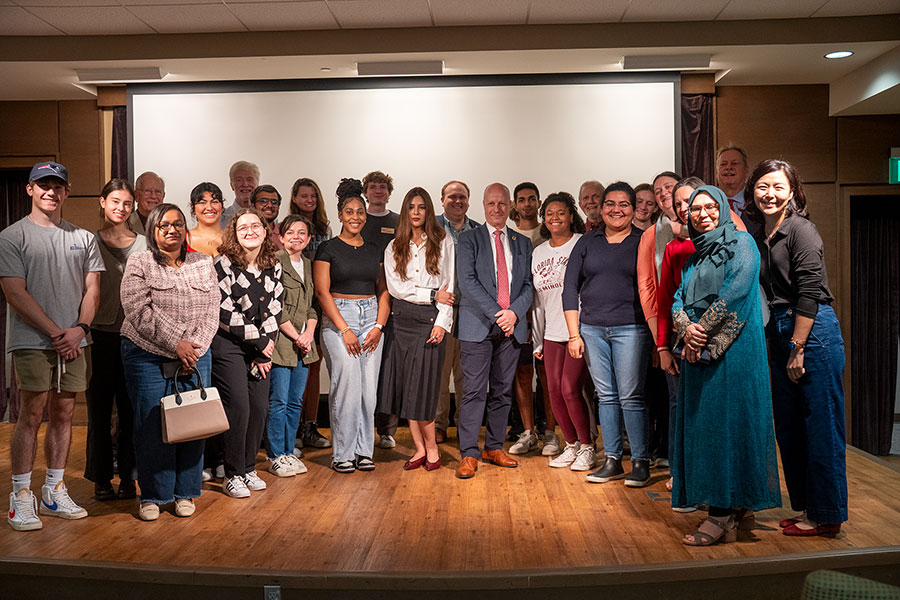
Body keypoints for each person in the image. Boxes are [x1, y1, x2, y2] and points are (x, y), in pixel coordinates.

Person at [671, 185, 781, 545]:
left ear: (721, 208)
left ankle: (720, 515)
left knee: (729, 427)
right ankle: (734, 509)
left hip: (735, 352)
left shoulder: (742, 244)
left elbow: (737, 290)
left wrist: (701, 333)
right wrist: (687, 329)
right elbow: (677, 299)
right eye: (695, 210)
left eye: (709, 207)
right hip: (698, 352)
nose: (702, 214)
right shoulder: (694, 257)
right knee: (708, 429)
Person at [744, 159, 847, 537]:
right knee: (789, 428)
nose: (769, 194)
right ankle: (807, 507)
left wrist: (798, 347)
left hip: (812, 331)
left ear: (792, 191)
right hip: (776, 330)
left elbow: (809, 293)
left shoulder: (802, 230)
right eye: (762, 187)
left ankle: (828, 515)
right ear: (753, 191)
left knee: (821, 425)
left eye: (778, 187)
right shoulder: (760, 234)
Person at [2, 161, 103, 531]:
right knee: (31, 414)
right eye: (43, 185)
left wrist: (79, 329)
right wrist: (56, 333)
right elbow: (14, 292)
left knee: (64, 413)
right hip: (33, 340)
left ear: (67, 190)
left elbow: (93, 289)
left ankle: (53, 490)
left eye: (57, 186)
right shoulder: (12, 237)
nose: (51, 191)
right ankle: (20, 497)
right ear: (29, 189)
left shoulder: (84, 237)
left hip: (75, 340)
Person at [120, 203, 219, 521]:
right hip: (146, 353)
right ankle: (152, 495)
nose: (172, 230)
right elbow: (137, 310)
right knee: (151, 425)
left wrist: (195, 347)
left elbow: (212, 308)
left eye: (178, 224)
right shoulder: (139, 262)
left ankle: (185, 492)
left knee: (193, 424)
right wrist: (176, 342)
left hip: (195, 354)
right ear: (152, 230)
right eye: (164, 225)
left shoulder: (203, 262)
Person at [563, 182, 653, 488]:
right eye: (610, 204)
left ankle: (640, 462)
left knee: (631, 396)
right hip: (591, 329)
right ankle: (613, 460)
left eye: (624, 204)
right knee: (606, 395)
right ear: (601, 209)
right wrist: (574, 335)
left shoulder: (644, 241)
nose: (617, 210)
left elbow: (654, 289)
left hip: (632, 328)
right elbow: (569, 289)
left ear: (633, 208)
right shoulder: (587, 242)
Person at [455, 183, 534, 479]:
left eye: (502, 204)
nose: (497, 209)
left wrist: (513, 313)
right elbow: (467, 281)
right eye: (491, 204)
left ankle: (494, 447)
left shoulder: (522, 242)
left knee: (502, 391)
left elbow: (528, 284)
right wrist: (499, 314)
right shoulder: (468, 239)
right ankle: (468, 454)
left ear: (510, 205)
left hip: (511, 326)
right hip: (477, 325)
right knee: (474, 392)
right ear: (483, 206)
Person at [314, 178, 390, 473]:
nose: (356, 217)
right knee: (346, 386)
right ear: (340, 215)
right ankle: (342, 454)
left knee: (368, 391)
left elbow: (383, 290)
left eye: (360, 212)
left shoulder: (374, 249)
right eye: (350, 212)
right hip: (339, 319)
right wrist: (344, 329)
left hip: (371, 318)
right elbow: (322, 292)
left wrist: (379, 326)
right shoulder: (328, 249)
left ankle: (363, 451)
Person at [380, 187, 455, 471]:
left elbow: (449, 286)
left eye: (421, 207)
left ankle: (433, 448)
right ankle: (419, 448)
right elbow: (396, 288)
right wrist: (432, 294)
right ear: (404, 211)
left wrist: (441, 322)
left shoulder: (443, 241)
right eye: (411, 207)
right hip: (402, 322)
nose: (415, 212)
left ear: (428, 211)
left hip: (430, 321)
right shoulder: (394, 245)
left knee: (424, 388)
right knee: (407, 389)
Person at [212, 208, 283, 498]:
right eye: (243, 228)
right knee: (239, 406)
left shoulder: (273, 264)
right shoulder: (223, 264)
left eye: (256, 226)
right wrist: (260, 343)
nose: (250, 231)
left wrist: (265, 351)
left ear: (266, 231)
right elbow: (224, 312)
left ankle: (248, 468)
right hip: (228, 344)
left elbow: (275, 307)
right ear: (235, 233)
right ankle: (232, 473)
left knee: (259, 407)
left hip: (261, 346)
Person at [85, 179, 147, 502]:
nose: (120, 208)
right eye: (114, 202)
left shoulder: (145, 243)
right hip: (99, 335)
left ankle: (129, 476)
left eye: (126, 203)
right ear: (102, 202)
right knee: (98, 409)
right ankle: (100, 478)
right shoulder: (88, 242)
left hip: (135, 336)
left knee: (129, 409)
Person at [530, 192, 594, 471]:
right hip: (551, 332)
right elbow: (538, 302)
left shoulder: (584, 243)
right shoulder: (538, 252)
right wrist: (537, 341)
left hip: (579, 330)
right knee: (553, 391)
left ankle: (588, 446)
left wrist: (578, 332)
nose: (555, 218)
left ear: (572, 216)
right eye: (550, 213)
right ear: (544, 218)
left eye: (561, 212)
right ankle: (571, 446)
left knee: (570, 388)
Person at [656, 176, 705, 507]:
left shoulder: (732, 243)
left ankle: (709, 477)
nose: (685, 209)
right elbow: (665, 301)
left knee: (708, 412)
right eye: (679, 205)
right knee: (679, 409)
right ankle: (680, 473)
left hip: (718, 343)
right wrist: (663, 347)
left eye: (690, 202)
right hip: (680, 342)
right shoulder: (675, 249)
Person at [266, 215, 318, 477]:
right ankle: (276, 454)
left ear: (309, 239)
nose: (296, 236)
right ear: (281, 236)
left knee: (296, 402)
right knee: (279, 401)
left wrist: (308, 333)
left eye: (302, 233)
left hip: (304, 344)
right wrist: (296, 335)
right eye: (291, 232)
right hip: (281, 342)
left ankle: (288, 451)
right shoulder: (273, 261)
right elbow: (274, 307)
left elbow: (312, 305)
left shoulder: (309, 264)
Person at [507, 181, 556, 457]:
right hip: (520, 315)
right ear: (515, 204)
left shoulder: (550, 234)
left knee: (547, 375)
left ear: (539, 203)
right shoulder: (509, 235)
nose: (527, 204)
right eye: (522, 199)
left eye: (532, 199)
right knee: (523, 373)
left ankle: (550, 431)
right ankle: (528, 432)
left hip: (547, 316)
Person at [434, 180, 480, 444]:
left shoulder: (477, 231)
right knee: (440, 373)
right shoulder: (432, 228)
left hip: (472, 312)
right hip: (443, 309)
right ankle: (440, 423)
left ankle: (466, 425)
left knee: (467, 373)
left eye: (462, 197)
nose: (457, 201)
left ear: (468, 200)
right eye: (452, 197)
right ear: (442, 200)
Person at [287, 177, 332, 449]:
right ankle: (289, 430)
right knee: (293, 366)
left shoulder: (324, 230)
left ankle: (311, 426)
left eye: (313, 196)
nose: (309, 200)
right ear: (294, 198)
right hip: (293, 305)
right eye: (304, 196)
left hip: (317, 303)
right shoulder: (289, 229)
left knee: (314, 366)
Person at [360, 170, 401, 450]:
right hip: (361, 299)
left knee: (389, 367)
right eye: (372, 186)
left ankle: (387, 429)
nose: (378, 191)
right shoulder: (357, 218)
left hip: (394, 298)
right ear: (365, 192)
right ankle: (361, 427)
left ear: (389, 191)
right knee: (363, 365)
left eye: (382, 186)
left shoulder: (398, 221)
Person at [186, 182, 224, 256]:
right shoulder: (182, 240)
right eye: (202, 203)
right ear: (192, 207)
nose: (209, 208)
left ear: (222, 206)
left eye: (214, 202)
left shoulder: (235, 237)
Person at [220, 160, 259, 226]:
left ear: (257, 184)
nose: (245, 184)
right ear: (232, 185)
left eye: (249, 179)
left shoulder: (267, 216)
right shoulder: (222, 218)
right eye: (239, 180)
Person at [716, 145, 750, 216]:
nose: (728, 167)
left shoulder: (756, 202)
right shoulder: (707, 202)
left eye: (734, 163)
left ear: (746, 171)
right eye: (723, 164)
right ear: (716, 172)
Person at [251, 184, 283, 251]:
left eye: (274, 202)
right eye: (263, 201)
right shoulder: (246, 233)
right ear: (252, 206)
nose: (269, 205)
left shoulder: (285, 233)